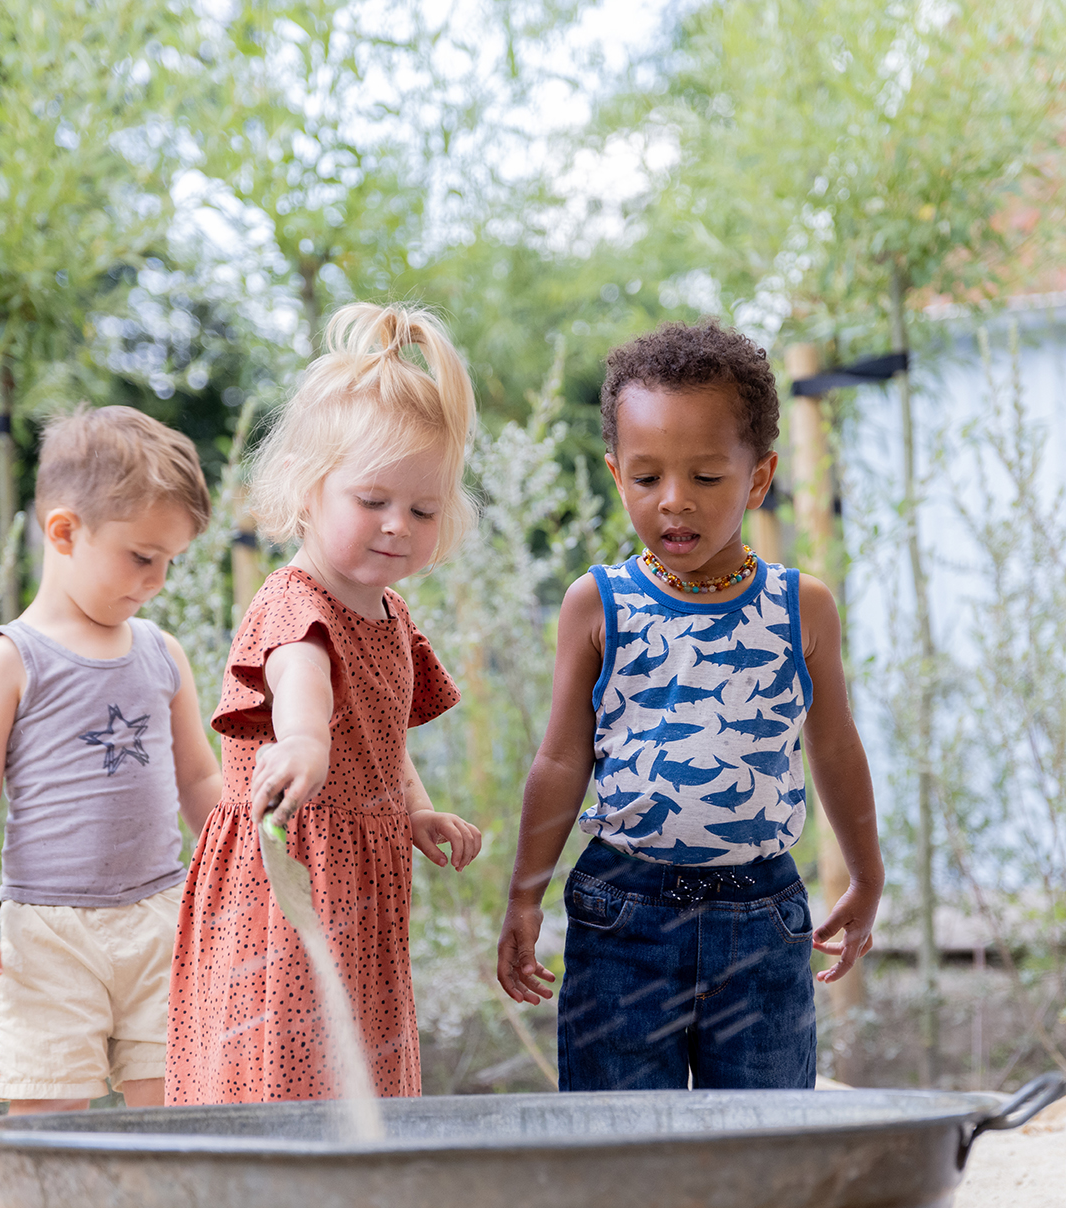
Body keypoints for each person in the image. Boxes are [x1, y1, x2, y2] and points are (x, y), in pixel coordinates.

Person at [495, 321, 883, 1091]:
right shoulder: (595, 605)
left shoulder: (801, 607)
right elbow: (562, 758)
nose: (675, 502)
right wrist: (523, 895)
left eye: (707, 478)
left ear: (759, 478)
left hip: (764, 919)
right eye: (647, 480)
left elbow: (834, 747)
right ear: (616, 476)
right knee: (619, 1149)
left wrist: (867, 878)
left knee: (763, 1148)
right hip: (622, 916)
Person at [0, 406, 223, 1208]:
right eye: (142, 557)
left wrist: (243, 860)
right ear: (65, 532)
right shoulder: (13, 660)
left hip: (157, 922)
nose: (156, 580)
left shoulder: (161, 653)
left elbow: (197, 778)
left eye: (170, 562)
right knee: (40, 1119)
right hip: (47, 933)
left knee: (164, 1108)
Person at [166, 303, 482, 1107]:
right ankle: (269, 1191)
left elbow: (383, 739)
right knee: (286, 1044)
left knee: (358, 1057)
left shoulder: (393, 617)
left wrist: (417, 812)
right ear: (309, 492)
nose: (397, 527)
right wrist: (303, 744)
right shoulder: (294, 603)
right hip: (293, 869)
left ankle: (352, 1191)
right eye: (372, 500)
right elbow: (302, 690)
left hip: (363, 875)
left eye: (422, 510)